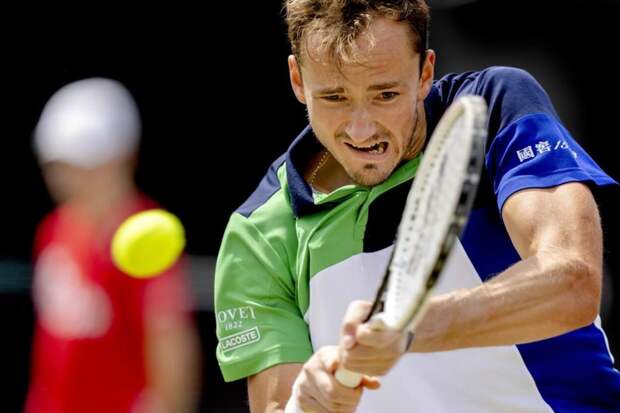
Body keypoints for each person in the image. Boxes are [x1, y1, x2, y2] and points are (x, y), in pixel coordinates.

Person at [214, 1, 620, 411]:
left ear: (425, 73)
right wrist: (307, 402)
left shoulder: (495, 105)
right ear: (298, 80)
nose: (361, 129)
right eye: (335, 97)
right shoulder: (257, 232)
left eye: (385, 94)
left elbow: (573, 282)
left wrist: (410, 328)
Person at [25, 78, 201, 413]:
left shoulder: (150, 239)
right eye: (63, 166)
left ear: (126, 159)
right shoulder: (52, 232)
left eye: (93, 165)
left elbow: (172, 360)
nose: (75, 179)